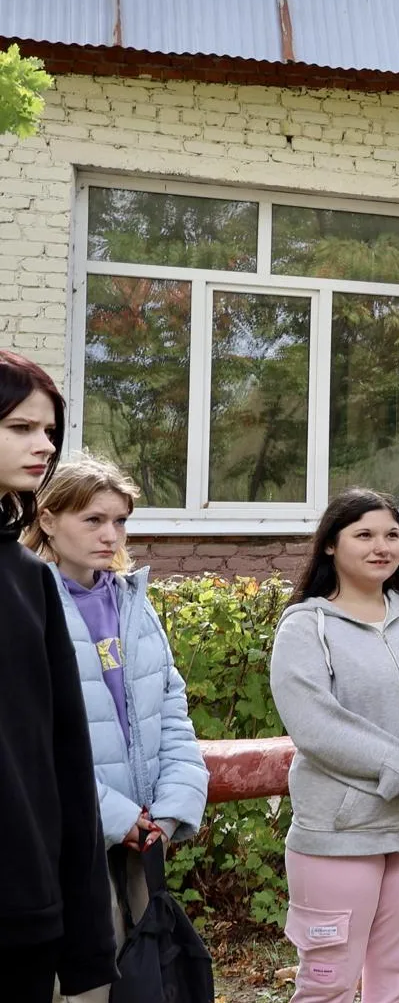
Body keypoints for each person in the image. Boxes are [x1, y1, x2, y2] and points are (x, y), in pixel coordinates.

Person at [270, 488, 399, 1003]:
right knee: (328, 985)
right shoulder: (305, 627)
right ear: (329, 546)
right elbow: (317, 728)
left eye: (392, 534)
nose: (381, 546)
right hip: (340, 833)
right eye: (363, 535)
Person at [27, 452, 209, 1003]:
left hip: (140, 835)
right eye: (93, 520)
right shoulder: (25, 601)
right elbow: (30, 737)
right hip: (63, 834)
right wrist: (113, 814)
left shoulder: (133, 600)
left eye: (120, 520)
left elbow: (169, 706)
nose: (111, 535)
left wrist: (173, 802)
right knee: (80, 985)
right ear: (48, 519)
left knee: (139, 978)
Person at [0, 350, 118, 1000]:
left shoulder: (28, 581)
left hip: (22, 915)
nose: (44, 445)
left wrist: (85, 939)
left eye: (49, 430)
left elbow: (65, 762)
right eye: (20, 428)